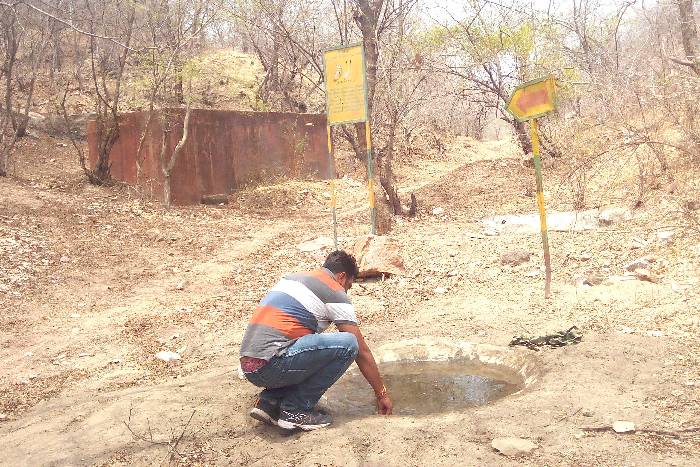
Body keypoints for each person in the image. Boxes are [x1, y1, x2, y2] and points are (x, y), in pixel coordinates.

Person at [239, 250, 393, 430]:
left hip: (250, 367)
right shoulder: (334, 291)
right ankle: (295, 410)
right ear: (342, 277)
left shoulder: (292, 278)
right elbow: (361, 350)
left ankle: (269, 402)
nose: (346, 291)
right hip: (272, 365)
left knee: (310, 346)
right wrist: (381, 393)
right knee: (348, 344)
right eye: (348, 286)